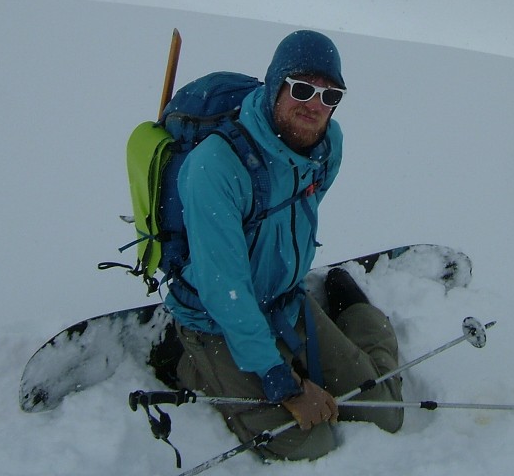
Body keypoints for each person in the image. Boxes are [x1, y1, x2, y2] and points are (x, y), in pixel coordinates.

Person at [165, 30, 404, 461]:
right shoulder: (216, 166)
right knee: (309, 442)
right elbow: (226, 288)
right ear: (276, 84)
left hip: (284, 302)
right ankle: (191, 362)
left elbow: (295, 215)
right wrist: (282, 380)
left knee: (384, 412)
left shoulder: (329, 146)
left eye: (331, 96)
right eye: (302, 88)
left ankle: (354, 308)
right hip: (216, 319)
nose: (315, 104)